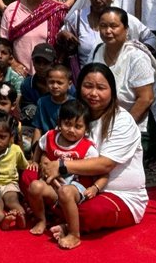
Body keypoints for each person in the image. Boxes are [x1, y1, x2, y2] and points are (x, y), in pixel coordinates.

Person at [39, 63, 149, 242]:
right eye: (88, 86)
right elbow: (55, 144)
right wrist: (45, 162)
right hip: (76, 186)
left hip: (119, 195)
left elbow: (105, 164)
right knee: (30, 175)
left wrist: (61, 165)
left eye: (101, 88)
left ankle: (66, 221)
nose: (93, 93)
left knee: (90, 212)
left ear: (112, 91)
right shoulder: (78, 114)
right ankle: (60, 214)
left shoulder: (122, 120)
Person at [24, 100, 109, 247]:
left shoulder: (87, 148)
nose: (71, 130)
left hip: (76, 188)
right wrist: (35, 160)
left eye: (78, 127)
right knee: (34, 186)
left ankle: (74, 234)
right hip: (53, 186)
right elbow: (40, 146)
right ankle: (41, 219)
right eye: (67, 124)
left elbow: (103, 172)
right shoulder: (50, 136)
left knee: (65, 191)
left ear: (86, 128)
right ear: (59, 122)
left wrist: (95, 188)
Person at [90, 7, 156, 137]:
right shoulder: (98, 51)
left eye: (113, 26)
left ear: (126, 29)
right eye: (103, 26)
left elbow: (146, 99)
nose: (107, 31)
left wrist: (121, 131)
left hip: (140, 123)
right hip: (109, 118)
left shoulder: (137, 56)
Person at [64, 0, 150, 68]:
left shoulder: (121, 17)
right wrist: (63, 35)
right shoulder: (79, 17)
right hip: (85, 76)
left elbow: (151, 38)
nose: (98, 0)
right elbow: (61, 35)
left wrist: (136, 54)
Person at [0, 0, 70, 70]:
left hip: (48, 74)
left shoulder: (56, 11)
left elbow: (64, 47)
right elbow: (3, 43)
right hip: (18, 74)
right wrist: (14, 64)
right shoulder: (12, 10)